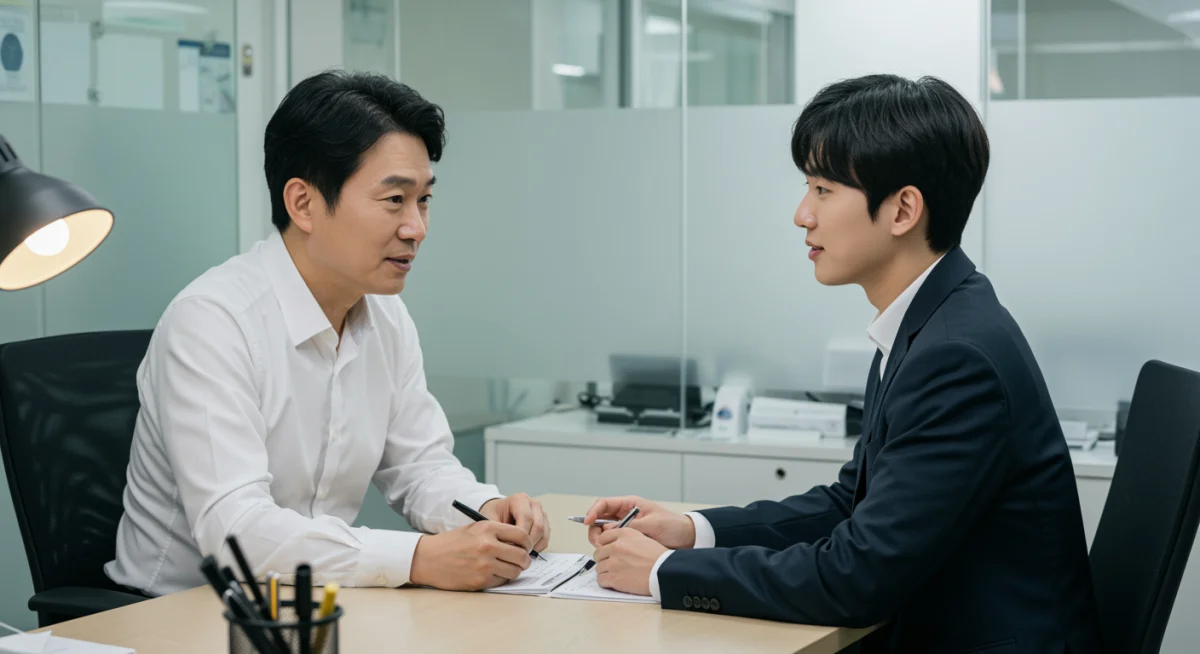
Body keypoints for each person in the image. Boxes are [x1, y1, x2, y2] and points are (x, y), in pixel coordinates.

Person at [583, 74, 1101, 653]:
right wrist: (693, 531)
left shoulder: (955, 357)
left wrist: (661, 575)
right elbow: (848, 504)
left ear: (903, 209)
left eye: (824, 189)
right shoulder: (930, 320)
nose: (802, 215)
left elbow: (858, 579)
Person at [106, 71, 548, 596]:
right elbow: (237, 533)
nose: (417, 228)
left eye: (424, 200)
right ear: (304, 204)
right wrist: (419, 558)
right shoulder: (213, 321)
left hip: (316, 607)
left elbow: (419, 466)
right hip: (183, 618)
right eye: (394, 201)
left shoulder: (384, 317)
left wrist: (486, 513)